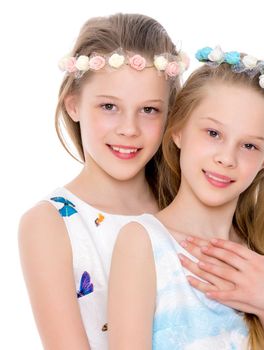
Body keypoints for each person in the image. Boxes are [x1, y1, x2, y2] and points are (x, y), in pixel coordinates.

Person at [108, 46, 264, 349]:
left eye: (249, 146)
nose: (227, 158)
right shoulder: (144, 242)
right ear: (178, 130)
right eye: (213, 133)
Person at [18, 13, 188, 350]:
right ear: (74, 105)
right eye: (109, 106)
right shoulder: (50, 224)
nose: (129, 129)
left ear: (171, 115)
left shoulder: (183, 208)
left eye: (149, 110)